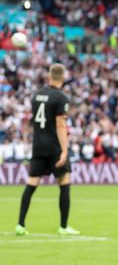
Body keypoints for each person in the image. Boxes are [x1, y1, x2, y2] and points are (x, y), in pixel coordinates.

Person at [15, 63, 79, 236]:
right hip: (54, 146)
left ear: (49, 75)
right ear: (63, 77)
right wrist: (64, 151)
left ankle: (20, 224)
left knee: (31, 184)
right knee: (64, 184)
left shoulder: (37, 95)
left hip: (38, 146)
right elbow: (60, 125)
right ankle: (63, 227)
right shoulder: (61, 98)